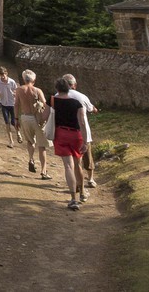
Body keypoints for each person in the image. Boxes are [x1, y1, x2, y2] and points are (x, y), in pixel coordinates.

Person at [43, 79, 91, 211]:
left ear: (57, 88)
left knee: (68, 166)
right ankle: (82, 192)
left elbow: (44, 117)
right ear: (69, 88)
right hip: (76, 135)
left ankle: (73, 199)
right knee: (78, 164)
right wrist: (85, 141)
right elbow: (82, 123)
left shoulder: (52, 100)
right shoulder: (76, 103)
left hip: (61, 134)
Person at [63, 73, 100, 197]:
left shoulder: (58, 96)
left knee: (72, 160)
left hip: (66, 132)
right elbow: (91, 108)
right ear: (74, 85)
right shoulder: (81, 96)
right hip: (82, 131)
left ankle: (76, 184)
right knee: (87, 156)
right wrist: (95, 109)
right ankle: (90, 179)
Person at [13, 69, 51, 179]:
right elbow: (45, 105)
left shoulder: (19, 90)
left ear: (24, 79)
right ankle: (43, 171)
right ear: (33, 80)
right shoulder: (37, 90)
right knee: (42, 146)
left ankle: (31, 159)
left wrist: (16, 119)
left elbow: (16, 105)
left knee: (30, 141)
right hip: (37, 119)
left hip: (25, 117)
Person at [0, 67, 20, 147]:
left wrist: (14, 94)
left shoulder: (12, 82)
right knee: (7, 122)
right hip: (4, 104)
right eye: (1, 74)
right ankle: (11, 141)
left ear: (6, 73)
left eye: (4, 74)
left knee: (13, 121)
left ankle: (18, 133)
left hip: (12, 104)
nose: (2, 76)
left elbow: (16, 91)